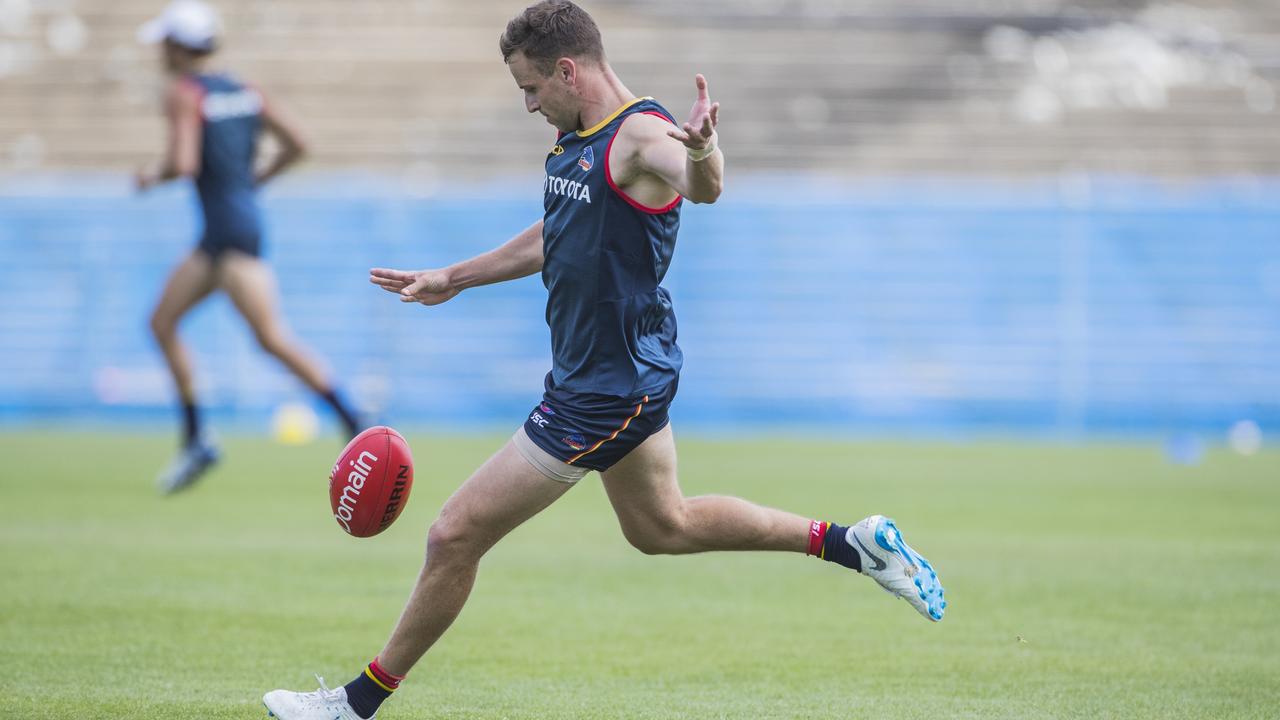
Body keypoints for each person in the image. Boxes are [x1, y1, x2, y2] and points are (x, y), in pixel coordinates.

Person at [263, 2, 945, 717]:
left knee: (454, 532)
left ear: (566, 69)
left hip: (605, 392)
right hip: (615, 373)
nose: (528, 104)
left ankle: (355, 704)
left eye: (531, 88)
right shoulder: (574, 142)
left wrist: (706, 148)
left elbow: (701, 184)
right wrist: (453, 277)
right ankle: (854, 544)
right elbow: (558, 231)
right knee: (662, 527)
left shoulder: (641, 136)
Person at [135, 0, 364, 493]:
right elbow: (299, 142)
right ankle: (199, 438)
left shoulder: (183, 92)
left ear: (177, 48)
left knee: (267, 337)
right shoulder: (243, 89)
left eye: (163, 44)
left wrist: (151, 175)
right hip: (236, 229)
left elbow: (185, 162)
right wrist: (255, 180)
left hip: (223, 234)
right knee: (169, 323)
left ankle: (356, 423)